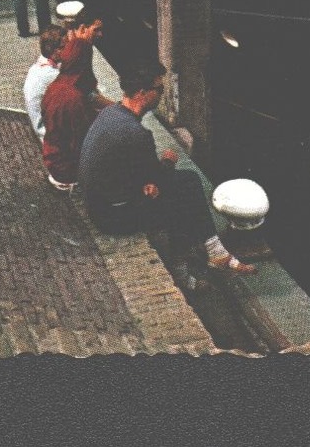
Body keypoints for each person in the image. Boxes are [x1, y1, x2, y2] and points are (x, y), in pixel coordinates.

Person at [78, 60, 255, 283]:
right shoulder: (137, 133)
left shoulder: (110, 113)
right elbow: (159, 178)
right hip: (113, 217)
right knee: (183, 195)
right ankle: (202, 259)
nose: (162, 93)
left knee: (184, 185)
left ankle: (206, 256)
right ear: (142, 92)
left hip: (100, 205)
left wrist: (152, 181)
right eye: (159, 89)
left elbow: (147, 177)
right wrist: (168, 160)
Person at [38, 21, 106, 192]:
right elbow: (84, 141)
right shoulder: (73, 98)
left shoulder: (56, 86)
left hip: (54, 160)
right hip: (66, 169)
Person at [21, 26, 66, 141]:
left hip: (40, 121)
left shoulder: (42, 61)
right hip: (48, 133)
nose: (68, 49)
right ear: (55, 51)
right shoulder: (50, 74)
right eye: (64, 47)